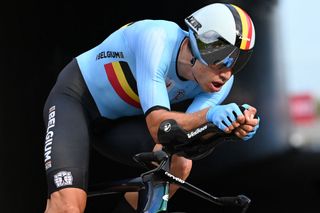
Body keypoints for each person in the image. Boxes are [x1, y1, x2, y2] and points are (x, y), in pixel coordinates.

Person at [43, 3, 260, 213]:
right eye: (223, 59)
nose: (227, 73)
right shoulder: (157, 38)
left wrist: (225, 129)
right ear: (202, 44)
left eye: (238, 61)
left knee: (179, 162)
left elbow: (185, 139)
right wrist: (210, 115)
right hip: (76, 102)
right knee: (68, 207)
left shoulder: (219, 84)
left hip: (118, 124)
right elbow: (160, 127)